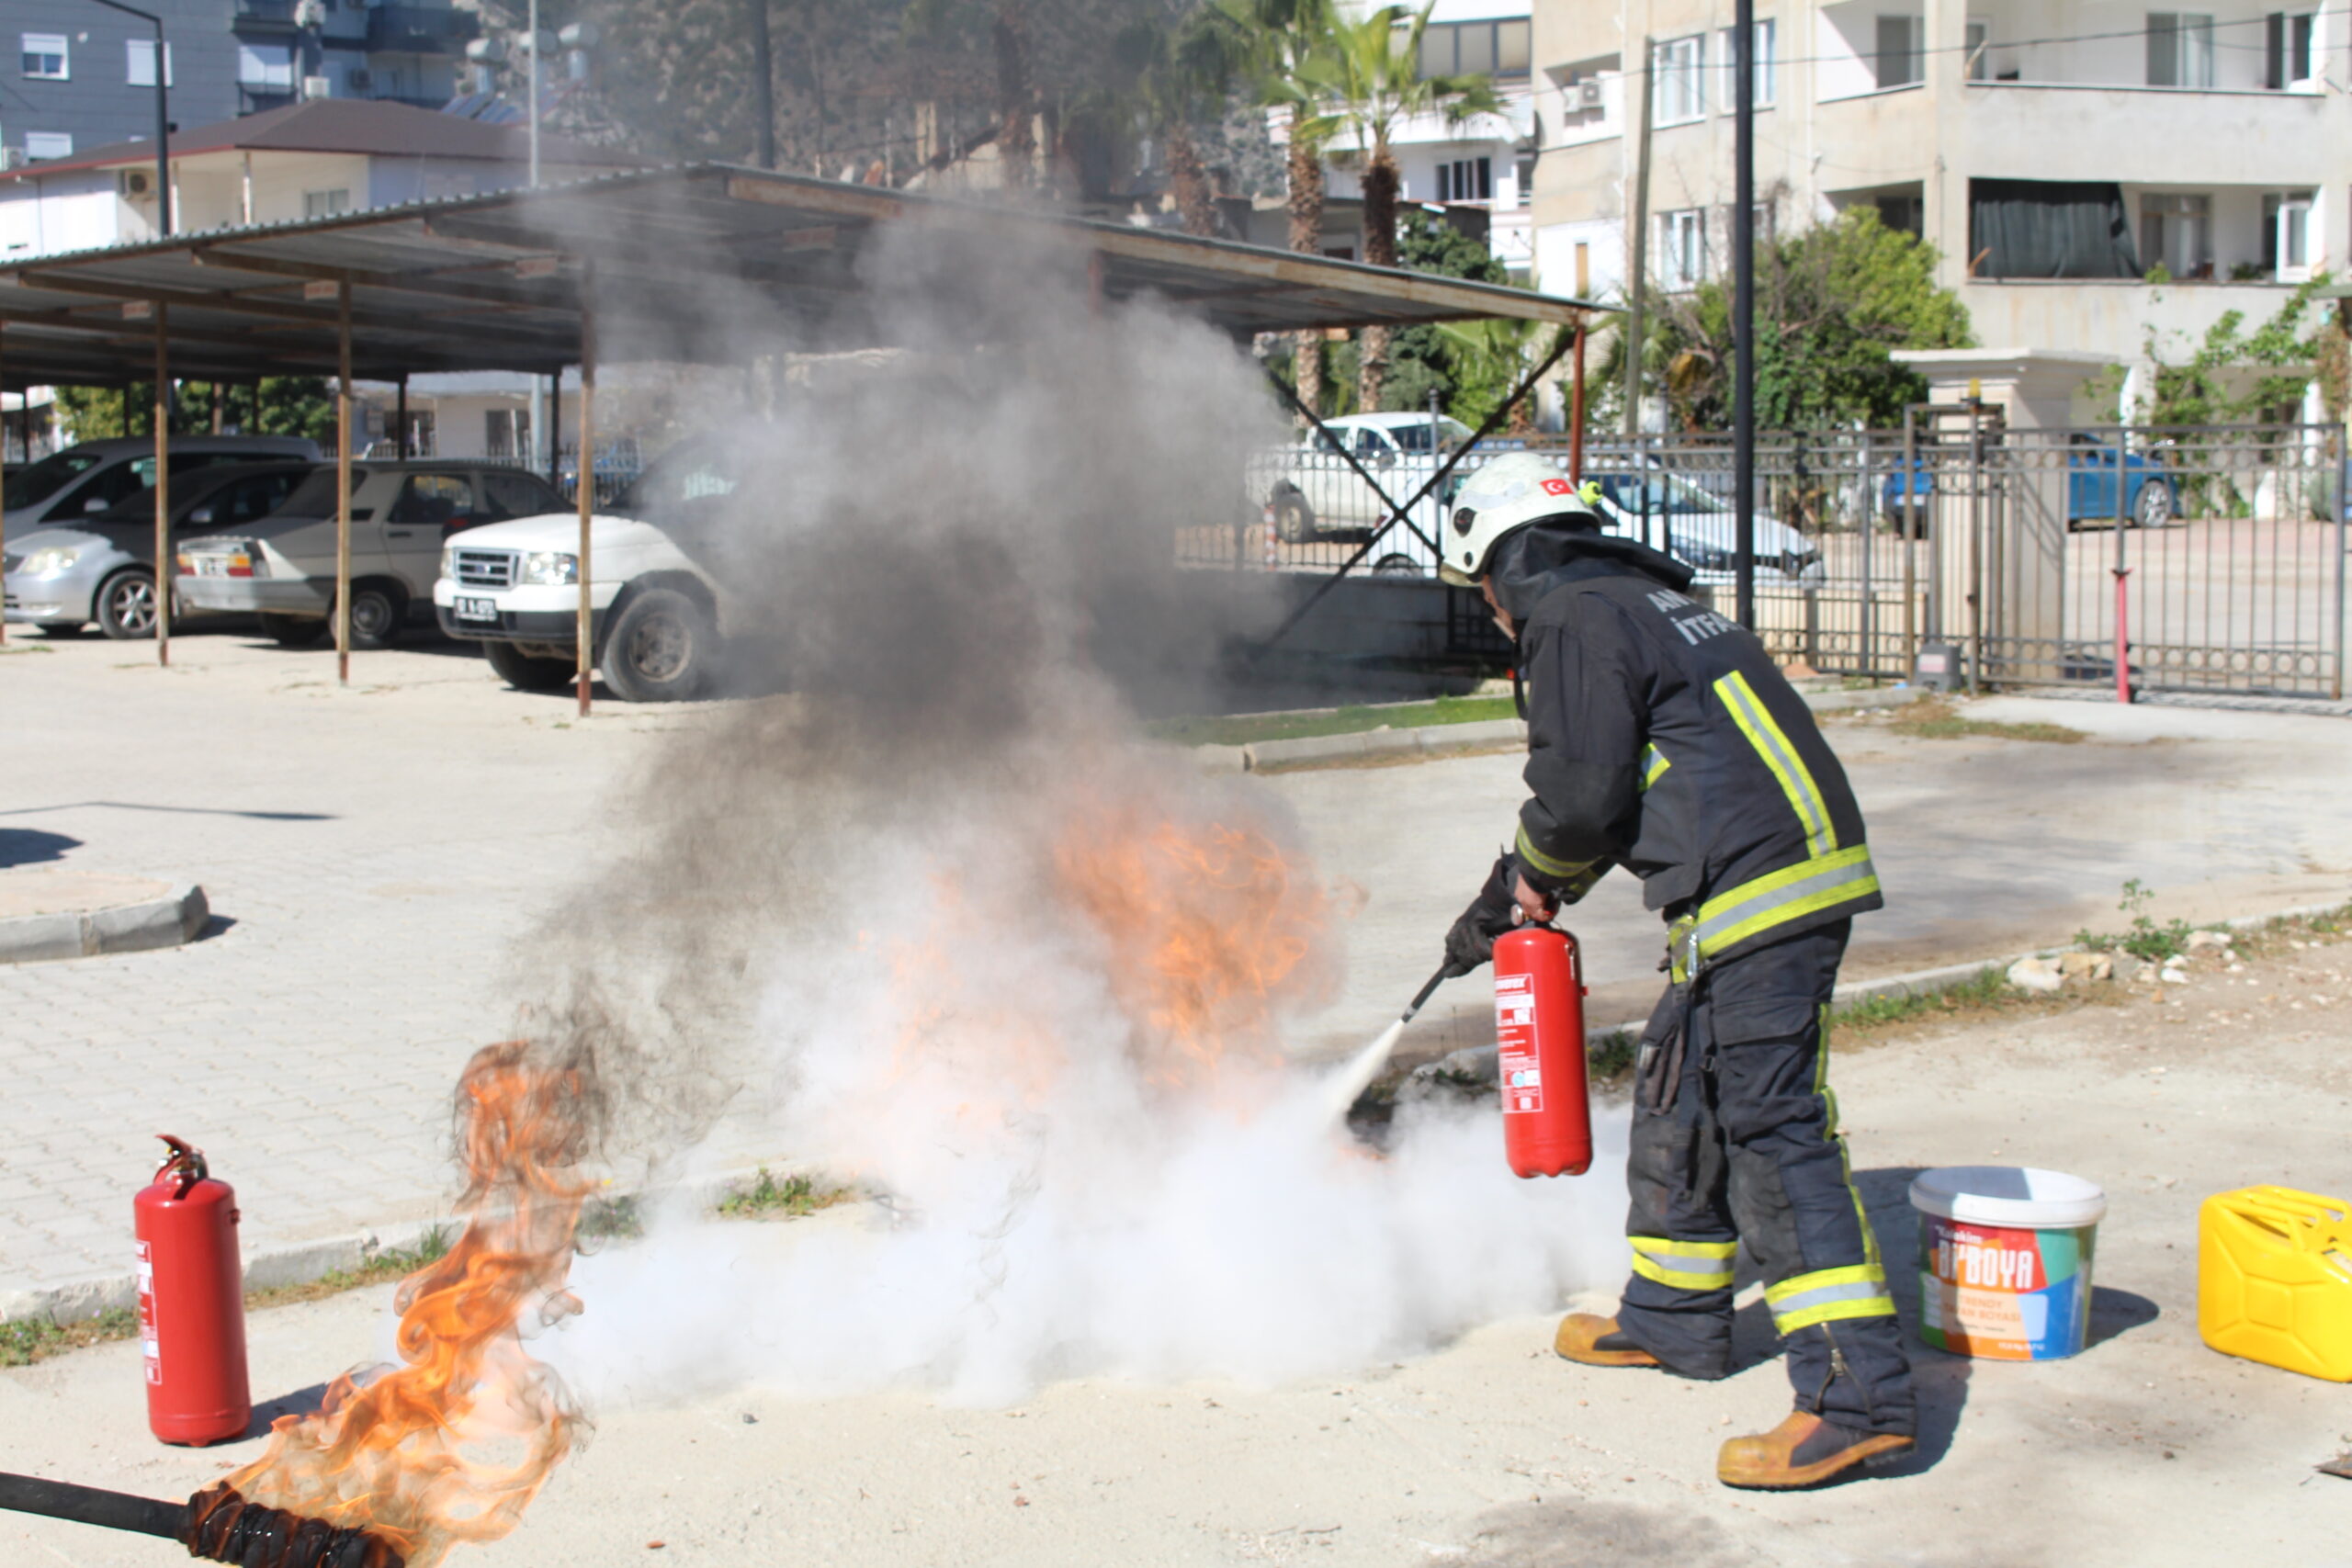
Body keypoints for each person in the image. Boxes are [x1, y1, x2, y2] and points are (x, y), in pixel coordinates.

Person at [1436, 452, 1915, 1490]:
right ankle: (1673, 1316)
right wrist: (1529, 879)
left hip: (1760, 889)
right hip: (1755, 882)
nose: (1491, 612)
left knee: (1772, 1133)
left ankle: (1856, 1398)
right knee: (1678, 1091)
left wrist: (1525, 880)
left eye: (1481, 589)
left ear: (1501, 565)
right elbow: (1615, 787)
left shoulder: (1570, 616)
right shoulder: (1648, 601)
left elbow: (1579, 797)